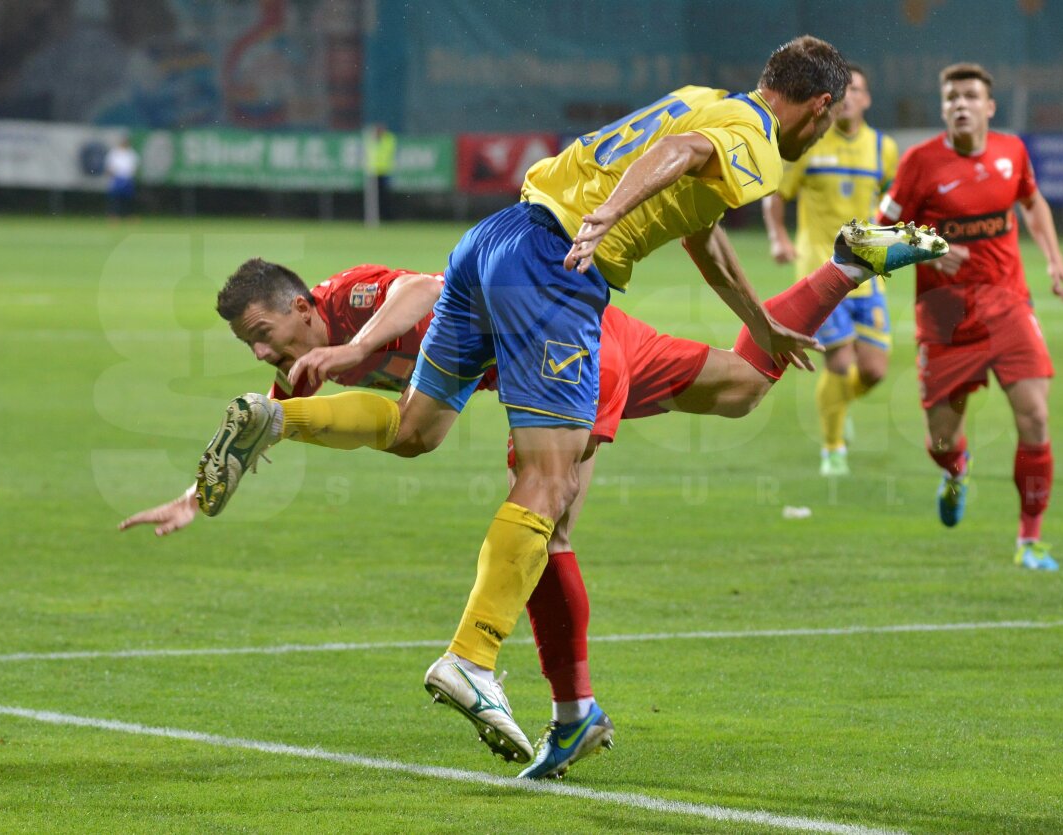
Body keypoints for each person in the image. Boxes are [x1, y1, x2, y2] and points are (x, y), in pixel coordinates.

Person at [190, 35, 946, 768]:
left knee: (430, 428)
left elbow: (699, 225)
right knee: (548, 496)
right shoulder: (753, 133)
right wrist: (609, 217)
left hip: (496, 241)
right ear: (818, 108)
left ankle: (846, 262)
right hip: (559, 273)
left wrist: (757, 319)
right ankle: (475, 656)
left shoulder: (707, 101)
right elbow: (673, 158)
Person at [122, 221, 948, 776]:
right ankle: (848, 261)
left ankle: (549, 695)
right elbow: (279, 419)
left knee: (539, 505)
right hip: (576, 340)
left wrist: (359, 348)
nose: (262, 348)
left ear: (305, 307)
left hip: (560, 342)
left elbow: (422, 282)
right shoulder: (296, 368)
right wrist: (199, 494)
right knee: (738, 390)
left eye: (265, 332)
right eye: (249, 344)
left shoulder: (347, 303)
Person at [876, 63, 1063, 571]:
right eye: (951, 97)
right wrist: (927, 247)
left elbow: (1033, 204)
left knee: (1035, 416)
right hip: (944, 316)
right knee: (941, 438)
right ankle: (956, 470)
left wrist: (1053, 258)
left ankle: (1030, 539)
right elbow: (872, 234)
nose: (960, 104)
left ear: (989, 107)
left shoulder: (1013, 152)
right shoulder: (920, 163)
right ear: (943, 108)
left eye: (969, 96)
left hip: (1009, 304)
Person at [762, 64, 899, 476]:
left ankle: (837, 408)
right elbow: (777, 195)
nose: (852, 97)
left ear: (868, 99)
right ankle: (833, 447)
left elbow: (896, 198)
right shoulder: (811, 143)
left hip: (868, 271)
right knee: (839, 364)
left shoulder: (883, 149)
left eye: (859, 90)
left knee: (873, 371)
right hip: (820, 271)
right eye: (846, 91)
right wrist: (777, 238)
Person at [105, 134, 139, 220]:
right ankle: (113, 215)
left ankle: (128, 215)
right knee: (115, 198)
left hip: (128, 178)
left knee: (128, 198)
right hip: (117, 178)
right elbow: (109, 166)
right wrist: (113, 176)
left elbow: (135, 167)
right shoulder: (114, 152)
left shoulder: (131, 153)